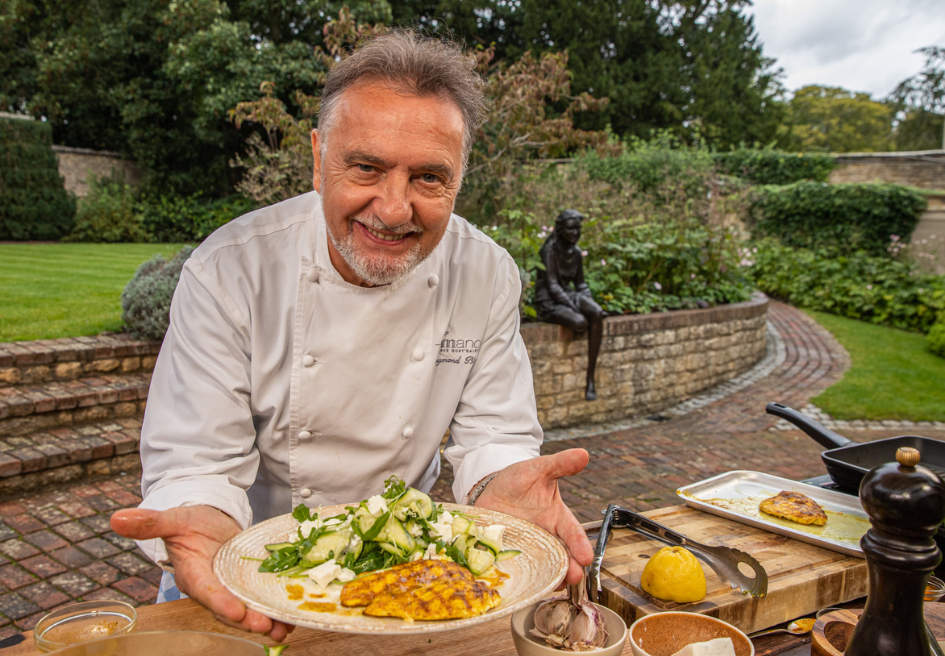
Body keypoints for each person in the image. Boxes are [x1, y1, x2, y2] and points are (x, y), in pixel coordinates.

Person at [110, 31, 593, 642]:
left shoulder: (486, 272)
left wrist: (505, 482)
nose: (393, 210)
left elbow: (496, 431)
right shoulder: (230, 269)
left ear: (460, 179)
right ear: (318, 159)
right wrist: (201, 518)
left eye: (428, 178)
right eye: (366, 167)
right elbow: (197, 458)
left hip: (404, 572)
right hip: (236, 566)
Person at [534, 210, 608, 401]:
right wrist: (576, 307)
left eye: (577, 229)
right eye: (570, 229)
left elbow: (581, 284)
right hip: (549, 299)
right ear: (560, 230)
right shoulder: (549, 250)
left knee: (597, 313)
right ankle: (573, 314)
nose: (575, 233)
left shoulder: (575, 252)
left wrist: (588, 301)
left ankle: (590, 379)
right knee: (580, 322)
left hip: (567, 294)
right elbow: (552, 285)